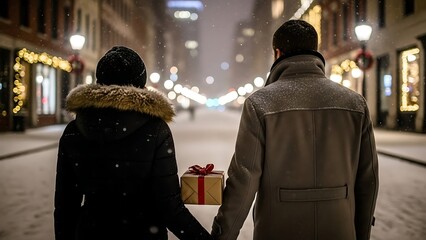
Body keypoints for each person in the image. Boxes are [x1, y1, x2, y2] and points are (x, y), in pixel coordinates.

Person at [211, 20, 379, 240]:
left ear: (277, 53)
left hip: (279, 229)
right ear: (315, 51)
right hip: (338, 229)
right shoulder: (355, 104)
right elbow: (368, 180)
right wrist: (361, 233)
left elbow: (244, 178)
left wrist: (222, 234)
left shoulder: (260, 104)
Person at [54, 46, 212, 240]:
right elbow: (169, 208)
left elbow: (65, 207)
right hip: (143, 232)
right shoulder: (156, 130)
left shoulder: (74, 130)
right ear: (141, 85)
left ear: (99, 83)